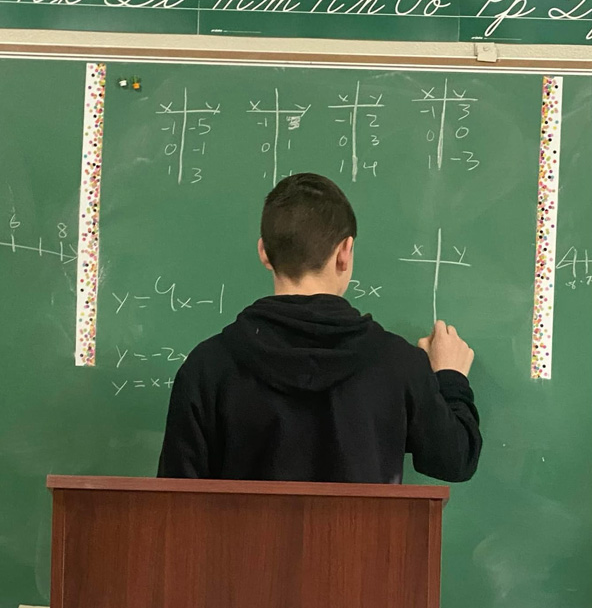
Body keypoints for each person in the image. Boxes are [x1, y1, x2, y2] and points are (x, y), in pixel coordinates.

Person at [158, 173, 482, 483]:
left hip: (240, 543)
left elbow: (174, 503)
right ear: (345, 252)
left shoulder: (208, 367)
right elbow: (455, 459)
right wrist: (450, 379)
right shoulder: (397, 363)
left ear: (264, 253)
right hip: (365, 542)